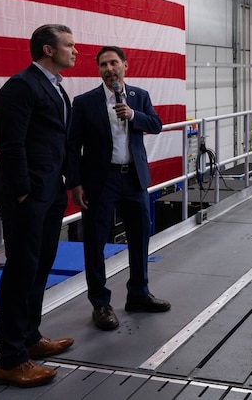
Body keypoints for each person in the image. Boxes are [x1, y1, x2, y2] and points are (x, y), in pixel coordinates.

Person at [0, 24, 77, 387]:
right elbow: (11, 144)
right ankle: (10, 360)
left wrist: (67, 184)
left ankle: (29, 337)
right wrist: (25, 192)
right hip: (26, 195)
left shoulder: (56, 87)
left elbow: (59, 141)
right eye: (69, 45)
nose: (75, 51)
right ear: (47, 50)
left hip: (50, 191)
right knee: (21, 271)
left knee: (40, 267)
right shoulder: (21, 86)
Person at [67, 45, 170, 331]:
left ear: (125, 65)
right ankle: (100, 303)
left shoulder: (139, 97)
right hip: (101, 181)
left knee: (139, 237)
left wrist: (134, 115)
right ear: (98, 70)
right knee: (95, 242)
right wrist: (74, 183)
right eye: (103, 65)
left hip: (134, 178)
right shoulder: (85, 102)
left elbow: (157, 124)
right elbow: (73, 146)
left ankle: (138, 294)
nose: (109, 69)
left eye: (114, 63)